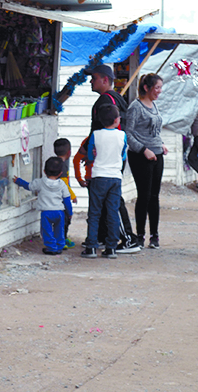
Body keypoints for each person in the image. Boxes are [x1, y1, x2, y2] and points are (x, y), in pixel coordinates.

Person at [77, 64, 141, 254]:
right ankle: (104, 237)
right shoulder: (117, 98)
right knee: (108, 201)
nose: (91, 81)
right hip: (114, 158)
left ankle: (128, 238)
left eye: (94, 78)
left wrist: (88, 151)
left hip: (105, 160)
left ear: (105, 80)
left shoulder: (106, 102)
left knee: (111, 202)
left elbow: (98, 131)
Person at [126, 73, 168, 249]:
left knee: (154, 196)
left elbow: (154, 131)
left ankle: (155, 235)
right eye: (156, 88)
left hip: (157, 154)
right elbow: (129, 133)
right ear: (147, 88)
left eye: (160, 88)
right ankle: (140, 233)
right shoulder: (136, 107)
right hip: (141, 156)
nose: (159, 91)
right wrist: (144, 150)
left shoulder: (154, 105)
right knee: (144, 195)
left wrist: (161, 144)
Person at [81, 104, 127, 259]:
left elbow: (91, 156)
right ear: (116, 120)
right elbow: (123, 156)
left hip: (99, 175)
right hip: (115, 176)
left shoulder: (95, 135)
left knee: (94, 212)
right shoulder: (122, 135)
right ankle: (111, 247)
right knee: (112, 211)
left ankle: (91, 247)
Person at [13, 156, 73, 256]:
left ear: (44, 171)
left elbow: (29, 186)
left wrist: (19, 181)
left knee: (47, 230)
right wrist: (69, 213)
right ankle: (59, 246)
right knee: (59, 230)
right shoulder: (62, 184)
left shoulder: (40, 182)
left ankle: (51, 247)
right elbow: (67, 200)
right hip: (59, 212)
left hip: (46, 213)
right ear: (60, 173)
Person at [53, 138, 77, 249]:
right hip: (62, 197)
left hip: (53, 196)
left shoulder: (53, 163)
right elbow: (64, 184)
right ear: (69, 152)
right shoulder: (63, 166)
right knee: (66, 218)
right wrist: (72, 196)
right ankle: (61, 239)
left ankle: (61, 237)